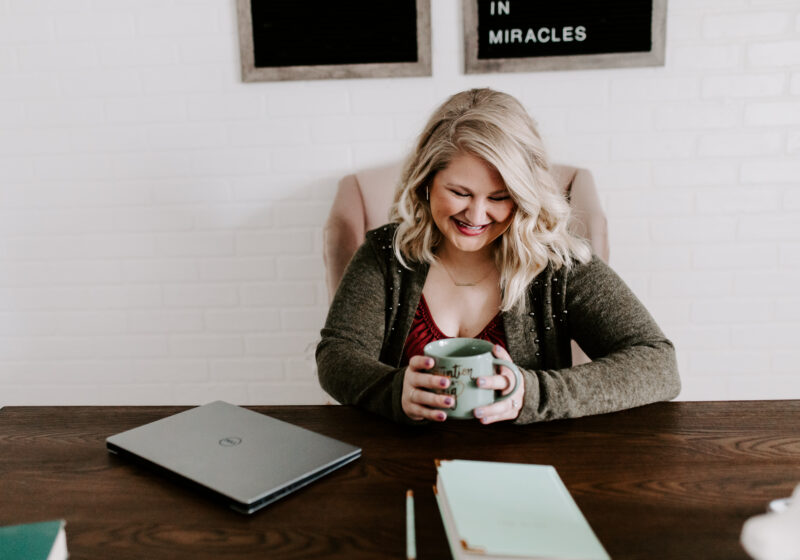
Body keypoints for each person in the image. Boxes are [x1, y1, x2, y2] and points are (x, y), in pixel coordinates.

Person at [316, 88, 680, 425]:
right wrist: (394, 390)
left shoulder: (557, 264)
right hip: (401, 466)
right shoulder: (386, 254)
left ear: (523, 196)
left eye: (499, 197)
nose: (475, 216)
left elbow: (659, 365)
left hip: (528, 468)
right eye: (460, 192)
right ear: (426, 183)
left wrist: (533, 394)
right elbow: (336, 355)